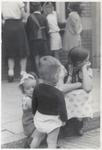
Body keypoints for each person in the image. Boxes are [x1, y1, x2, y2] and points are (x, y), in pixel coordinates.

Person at [31, 56, 68, 148]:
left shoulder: (37, 87)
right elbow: (62, 109)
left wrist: (34, 113)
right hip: (53, 121)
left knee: (37, 138)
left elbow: (34, 103)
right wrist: (64, 120)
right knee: (51, 142)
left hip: (40, 118)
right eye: (59, 74)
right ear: (55, 76)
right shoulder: (58, 93)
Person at [56, 46, 93, 136]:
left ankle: (79, 123)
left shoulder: (86, 70)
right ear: (79, 62)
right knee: (66, 96)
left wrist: (84, 69)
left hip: (76, 97)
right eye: (86, 61)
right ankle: (65, 121)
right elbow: (60, 88)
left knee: (85, 94)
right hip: (66, 95)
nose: (88, 63)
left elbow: (88, 88)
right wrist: (79, 84)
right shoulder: (63, 69)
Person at [2, 2, 30, 82]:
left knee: (10, 51)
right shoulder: (19, 1)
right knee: (22, 49)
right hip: (18, 25)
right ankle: (23, 73)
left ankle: (10, 73)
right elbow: (23, 15)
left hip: (7, 26)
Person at [26, 2, 49, 77]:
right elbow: (47, 30)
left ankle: (39, 73)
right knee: (43, 57)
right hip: (43, 39)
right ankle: (44, 72)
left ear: (32, 8)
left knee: (36, 56)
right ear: (40, 8)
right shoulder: (44, 17)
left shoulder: (30, 17)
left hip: (33, 39)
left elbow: (27, 29)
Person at [19, 72, 38, 148]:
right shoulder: (26, 99)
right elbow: (34, 107)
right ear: (23, 90)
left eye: (33, 87)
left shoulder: (35, 96)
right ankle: (29, 141)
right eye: (28, 88)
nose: (31, 90)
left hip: (34, 120)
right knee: (40, 126)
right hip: (29, 123)